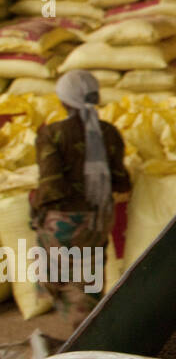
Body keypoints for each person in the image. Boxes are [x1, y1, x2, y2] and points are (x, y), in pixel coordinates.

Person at [30, 70, 131, 325]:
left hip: (65, 219)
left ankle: (81, 333)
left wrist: (36, 206)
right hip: (99, 218)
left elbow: (51, 184)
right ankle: (89, 320)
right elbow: (121, 179)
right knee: (89, 276)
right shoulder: (109, 132)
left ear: (63, 100)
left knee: (57, 274)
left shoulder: (52, 134)